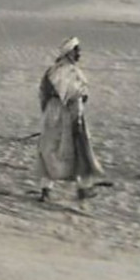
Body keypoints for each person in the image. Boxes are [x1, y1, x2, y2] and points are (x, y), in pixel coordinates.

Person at [35, 37, 103, 203]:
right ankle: (82, 189)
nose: (79, 54)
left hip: (51, 114)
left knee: (49, 150)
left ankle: (46, 190)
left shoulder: (51, 71)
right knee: (77, 151)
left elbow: (43, 94)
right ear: (70, 53)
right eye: (77, 51)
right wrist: (78, 118)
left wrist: (47, 113)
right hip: (69, 115)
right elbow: (76, 97)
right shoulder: (71, 73)